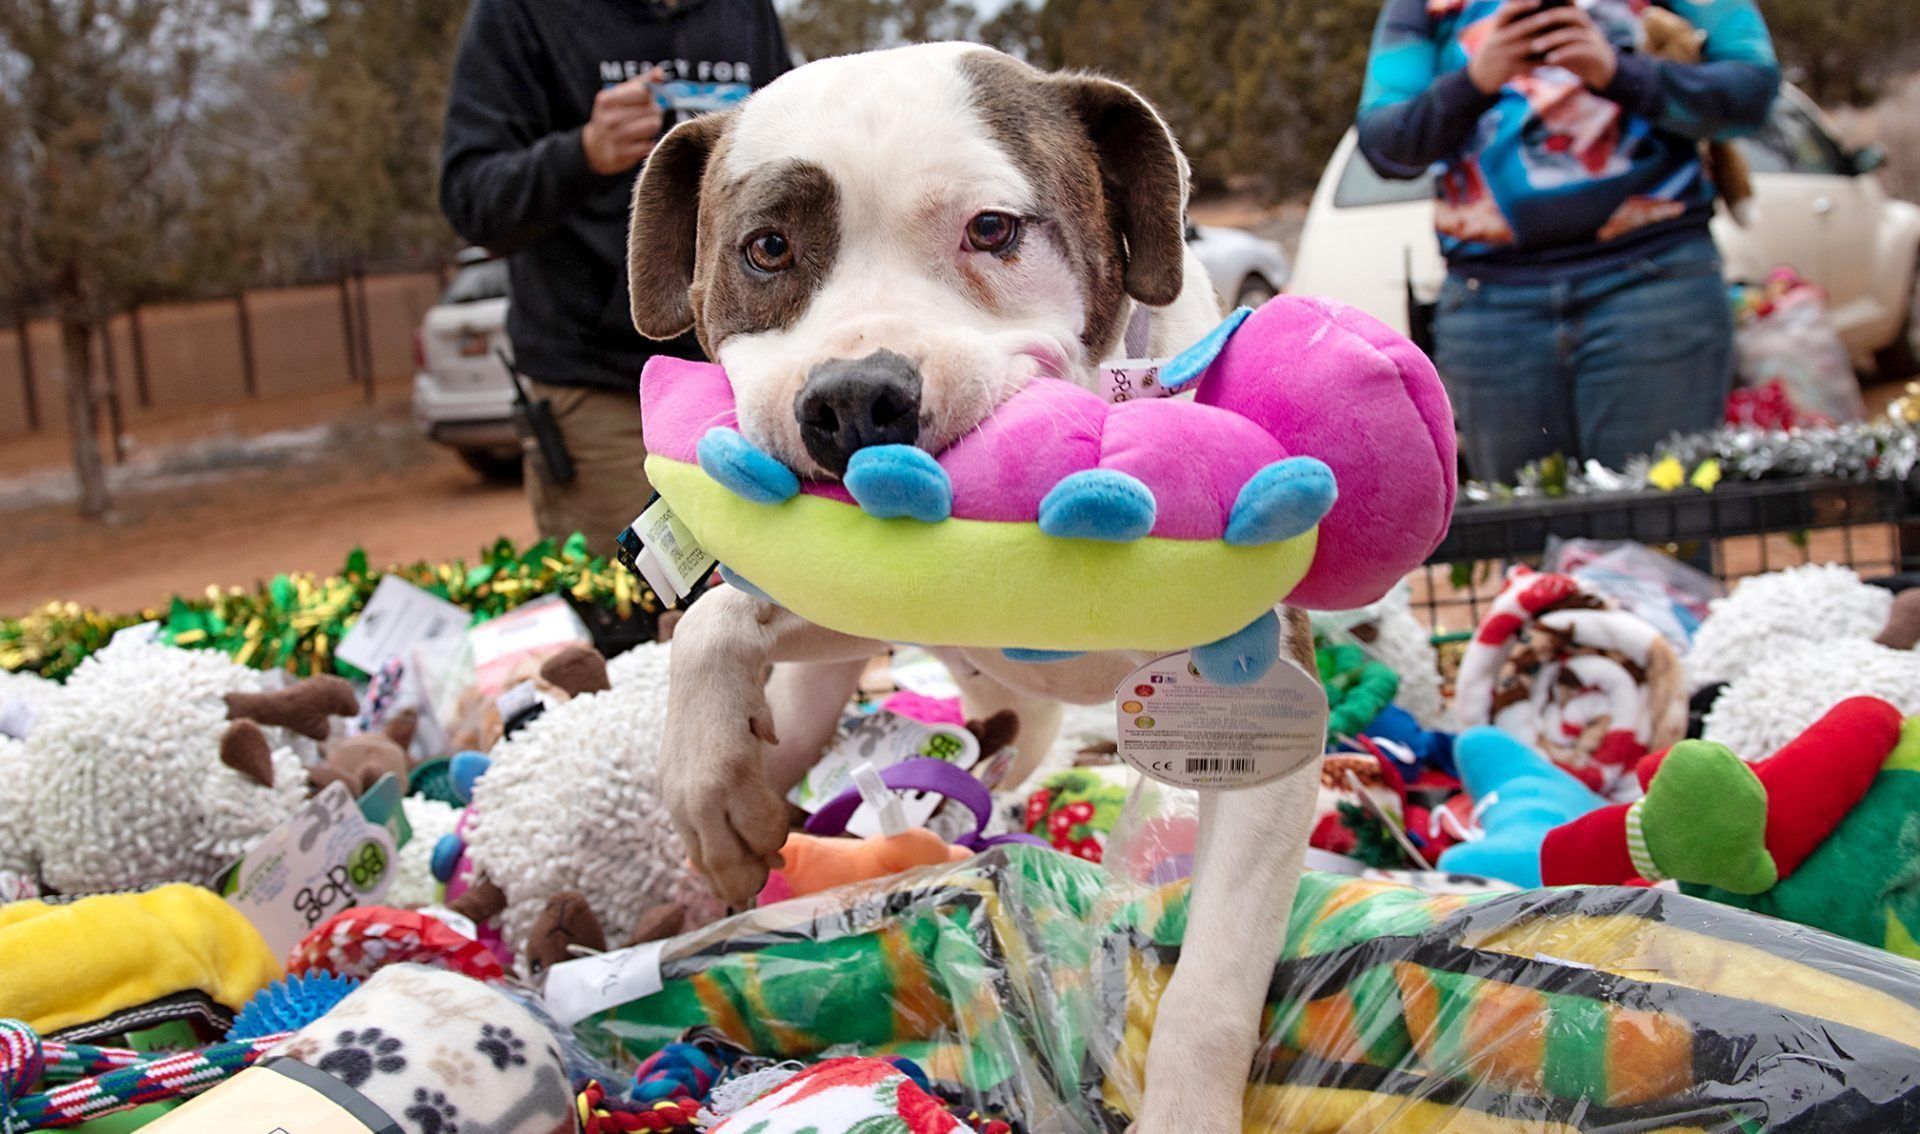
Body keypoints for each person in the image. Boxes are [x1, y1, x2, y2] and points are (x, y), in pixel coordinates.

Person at [1357, 0, 1779, 482]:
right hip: (1492, 309)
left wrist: (1615, 69)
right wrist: (1476, 81)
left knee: (1662, 532)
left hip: (1655, 284)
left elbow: (1755, 92)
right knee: (1526, 533)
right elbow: (1383, 144)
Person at [440, 0, 793, 544]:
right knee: (630, 606)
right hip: (599, 390)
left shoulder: (744, 10)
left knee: (765, 601)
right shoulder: (519, 14)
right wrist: (583, 152)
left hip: (738, 374)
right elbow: (471, 199)